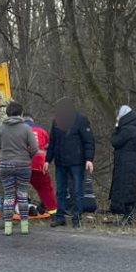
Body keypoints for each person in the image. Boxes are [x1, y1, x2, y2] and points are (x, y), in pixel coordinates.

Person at [46, 97, 95, 229]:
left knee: (78, 190)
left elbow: (89, 141)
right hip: (60, 161)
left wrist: (89, 159)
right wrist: (47, 160)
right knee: (60, 191)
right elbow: (52, 142)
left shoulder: (81, 120)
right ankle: (60, 217)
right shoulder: (57, 122)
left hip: (77, 162)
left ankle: (77, 217)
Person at [0, 102, 38, 235]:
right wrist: (27, 157)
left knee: (8, 195)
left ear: (7, 113)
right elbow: (35, 148)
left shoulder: (2, 127)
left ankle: (8, 227)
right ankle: (24, 227)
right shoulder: (25, 128)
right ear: (21, 113)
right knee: (22, 195)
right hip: (23, 165)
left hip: (6, 164)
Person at [109, 105, 136, 217]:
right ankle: (129, 215)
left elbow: (115, 142)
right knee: (129, 188)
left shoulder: (126, 130)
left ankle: (128, 215)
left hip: (125, 163)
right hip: (132, 162)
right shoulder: (135, 128)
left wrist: (116, 128)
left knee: (124, 188)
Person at [23, 113, 58, 217]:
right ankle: (54, 213)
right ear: (32, 120)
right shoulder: (42, 131)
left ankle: (18, 211)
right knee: (46, 189)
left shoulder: (18, 129)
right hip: (39, 164)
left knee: (16, 189)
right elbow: (49, 148)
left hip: (22, 164)